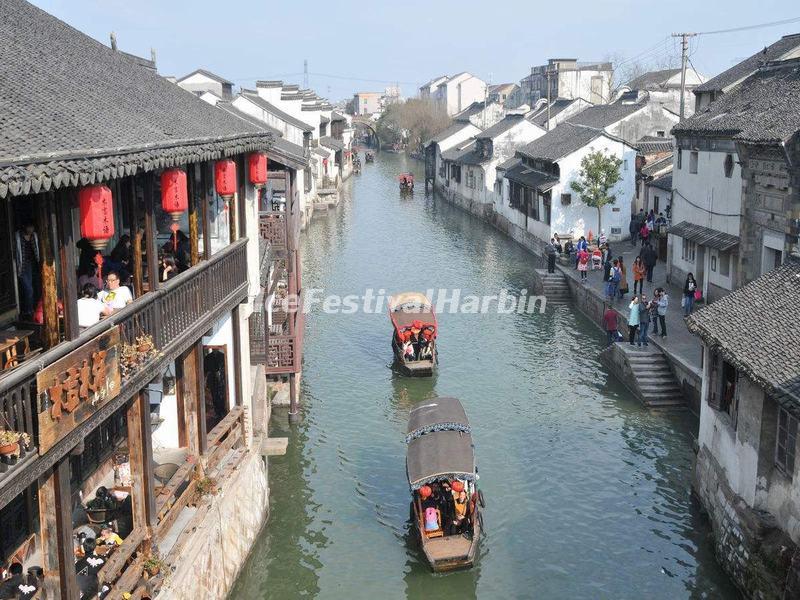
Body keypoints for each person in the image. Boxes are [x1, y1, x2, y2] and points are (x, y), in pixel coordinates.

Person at [14, 222, 40, 318]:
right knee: (28, 289)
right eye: (29, 227)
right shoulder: (18, 236)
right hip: (23, 265)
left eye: (32, 227)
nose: (30, 229)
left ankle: (34, 309)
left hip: (34, 265)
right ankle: (29, 311)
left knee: (36, 288)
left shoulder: (34, 236)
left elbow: (37, 250)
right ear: (24, 226)